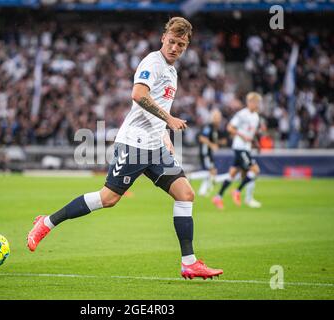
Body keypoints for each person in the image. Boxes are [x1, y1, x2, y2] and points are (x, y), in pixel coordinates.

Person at [27, 17, 223, 280]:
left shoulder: (172, 70)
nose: (175, 48)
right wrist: (169, 120)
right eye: (172, 41)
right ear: (163, 38)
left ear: (186, 47)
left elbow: (158, 107)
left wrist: (164, 135)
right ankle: (47, 222)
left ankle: (189, 263)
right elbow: (138, 95)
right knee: (108, 199)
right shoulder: (152, 63)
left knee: (185, 194)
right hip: (134, 143)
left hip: (155, 145)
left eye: (181, 45)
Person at [212, 92, 262, 209]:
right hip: (240, 147)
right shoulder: (242, 114)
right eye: (256, 102)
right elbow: (230, 127)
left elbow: (250, 133)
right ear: (250, 102)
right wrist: (242, 136)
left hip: (246, 148)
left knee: (233, 174)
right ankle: (238, 192)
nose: (258, 105)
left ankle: (218, 197)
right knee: (255, 170)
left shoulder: (256, 116)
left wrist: (255, 143)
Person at [189, 109, 225, 197]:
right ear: (213, 118)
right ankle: (191, 176)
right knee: (212, 172)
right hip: (205, 152)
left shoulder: (215, 129)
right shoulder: (209, 127)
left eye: (219, 117)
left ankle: (202, 191)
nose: (219, 119)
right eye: (217, 117)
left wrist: (218, 143)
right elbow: (202, 138)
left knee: (211, 172)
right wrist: (212, 145)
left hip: (208, 153)